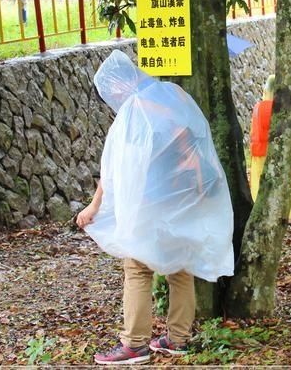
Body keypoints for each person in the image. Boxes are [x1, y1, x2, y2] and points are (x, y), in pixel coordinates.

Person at [76, 50, 234, 365]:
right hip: (186, 199)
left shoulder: (134, 114)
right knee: (180, 269)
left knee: (137, 269)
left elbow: (116, 170)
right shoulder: (172, 97)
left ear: (119, 86)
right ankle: (177, 339)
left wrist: (94, 207)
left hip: (149, 205)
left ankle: (134, 344)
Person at [249, 75, 291, 221]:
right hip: (271, 152)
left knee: (261, 185)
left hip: (257, 151)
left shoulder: (258, 106)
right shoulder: (278, 108)